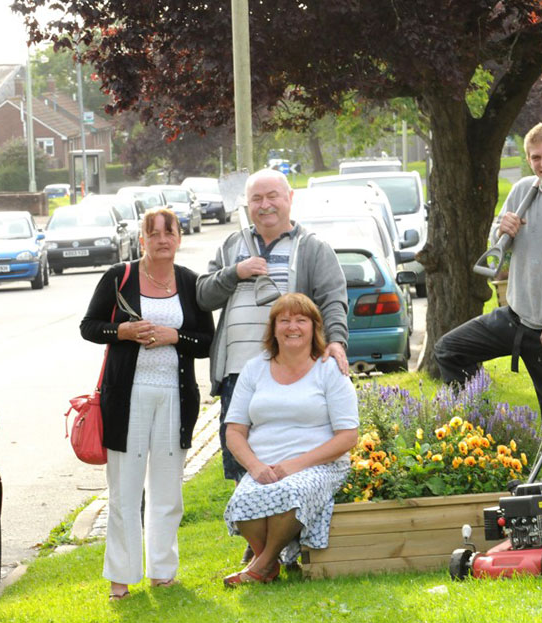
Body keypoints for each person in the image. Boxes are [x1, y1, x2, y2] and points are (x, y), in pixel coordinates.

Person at [433, 122, 542, 483]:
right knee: (450, 351)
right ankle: (480, 437)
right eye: (536, 157)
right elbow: (495, 256)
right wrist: (501, 230)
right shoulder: (523, 191)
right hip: (518, 317)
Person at [80, 208, 215, 600]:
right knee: (124, 490)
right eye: (152, 233)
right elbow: (89, 327)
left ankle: (163, 570)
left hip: (176, 396)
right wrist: (121, 331)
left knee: (168, 490)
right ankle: (121, 577)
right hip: (126, 397)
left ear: (178, 238)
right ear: (142, 239)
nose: (161, 239)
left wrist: (176, 337)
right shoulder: (119, 276)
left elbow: (206, 341)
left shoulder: (191, 283)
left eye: (168, 232)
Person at [197, 168, 349, 488]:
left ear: (289, 199)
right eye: (256, 198)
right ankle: (256, 533)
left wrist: (336, 342)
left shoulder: (313, 248)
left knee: (286, 455)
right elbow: (203, 296)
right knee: (243, 461)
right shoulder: (230, 245)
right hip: (237, 372)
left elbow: (333, 300)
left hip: (290, 371)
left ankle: (284, 533)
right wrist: (235, 272)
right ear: (248, 205)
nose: (265, 205)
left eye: (272, 196)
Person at [221, 293, 359, 586]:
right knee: (243, 501)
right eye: (284, 320)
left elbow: (348, 436)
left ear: (314, 327)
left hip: (318, 464)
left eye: (301, 320)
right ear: (273, 329)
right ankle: (266, 564)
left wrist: (296, 465)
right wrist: (255, 467)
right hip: (266, 465)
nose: (292, 326)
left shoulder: (329, 369)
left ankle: (262, 566)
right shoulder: (255, 368)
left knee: (290, 495)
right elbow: (234, 430)